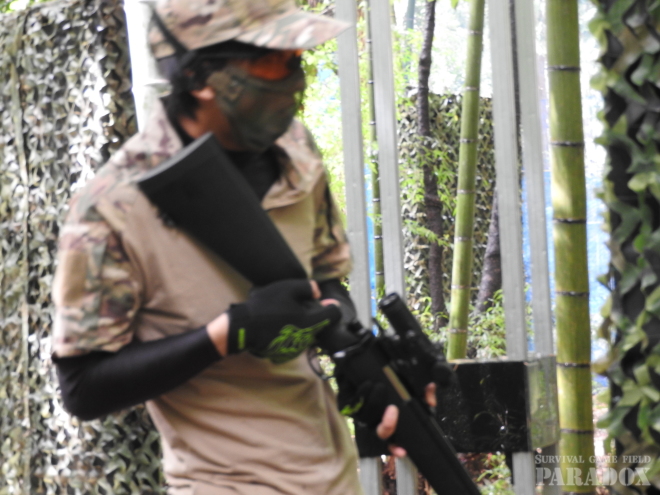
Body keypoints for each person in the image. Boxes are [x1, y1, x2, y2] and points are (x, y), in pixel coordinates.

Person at [50, 0, 410, 493]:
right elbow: (82, 387)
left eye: (296, 58)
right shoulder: (113, 206)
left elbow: (324, 282)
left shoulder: (296, 151)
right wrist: (229, 333)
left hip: (333, 476)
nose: (295, 78)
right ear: (199, 77)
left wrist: (357, 358)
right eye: (272, 61)